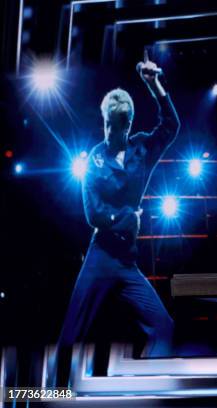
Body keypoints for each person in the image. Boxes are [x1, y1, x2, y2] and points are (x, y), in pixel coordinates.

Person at [53, 54, 180, 384]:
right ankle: (52, 397)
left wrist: (154, 84)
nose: (110, 131)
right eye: (107, 124)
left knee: (164, 327)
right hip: (100, 257)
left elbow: (171, 126)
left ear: (128, 125)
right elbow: (92, 214)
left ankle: (148, 390)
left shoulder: (142, 150)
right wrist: (127, 216)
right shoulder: (95, 159)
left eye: (117, 125)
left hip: (127, 262)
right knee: (70, 335)